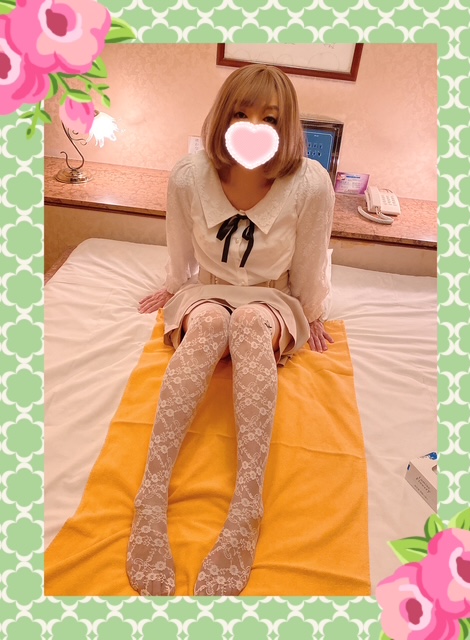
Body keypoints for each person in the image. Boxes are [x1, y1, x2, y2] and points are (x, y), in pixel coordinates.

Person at [126, 63, 335, 597]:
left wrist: (311, 313)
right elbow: (179, 244)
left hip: (269, 298)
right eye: (241, 113)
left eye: (270, 118)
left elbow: (310, 260)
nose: (254, 126)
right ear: (223, 117)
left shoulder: (310, 183)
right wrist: (173, 288)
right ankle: (151, 494)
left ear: (287, 125)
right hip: (209, 291)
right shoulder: (188, 176)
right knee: (213, 321)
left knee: (245, 323)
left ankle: (247, 503)